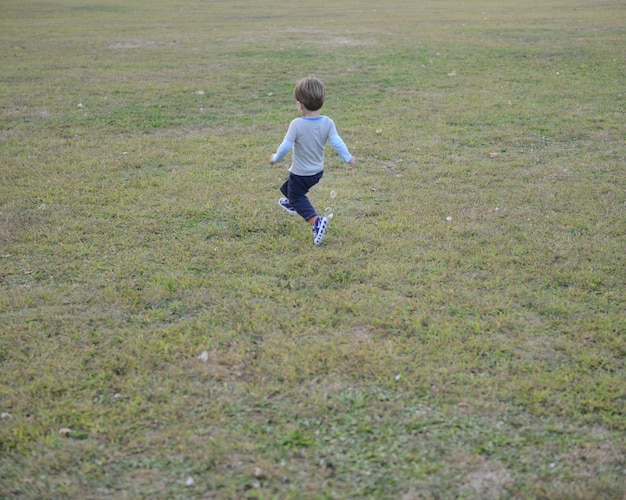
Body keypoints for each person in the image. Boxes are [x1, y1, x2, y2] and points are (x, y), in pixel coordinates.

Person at [270, 77, 356, 246]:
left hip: (300, 173)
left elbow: (285, 147)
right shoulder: (327, 122)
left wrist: (274, 158)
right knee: (287, 189)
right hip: (317, 173)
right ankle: (292, 203)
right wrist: (348, 157)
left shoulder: (296, 124)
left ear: (300, 104)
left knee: (296, 196)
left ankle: (316, 221)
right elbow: (337, 142)